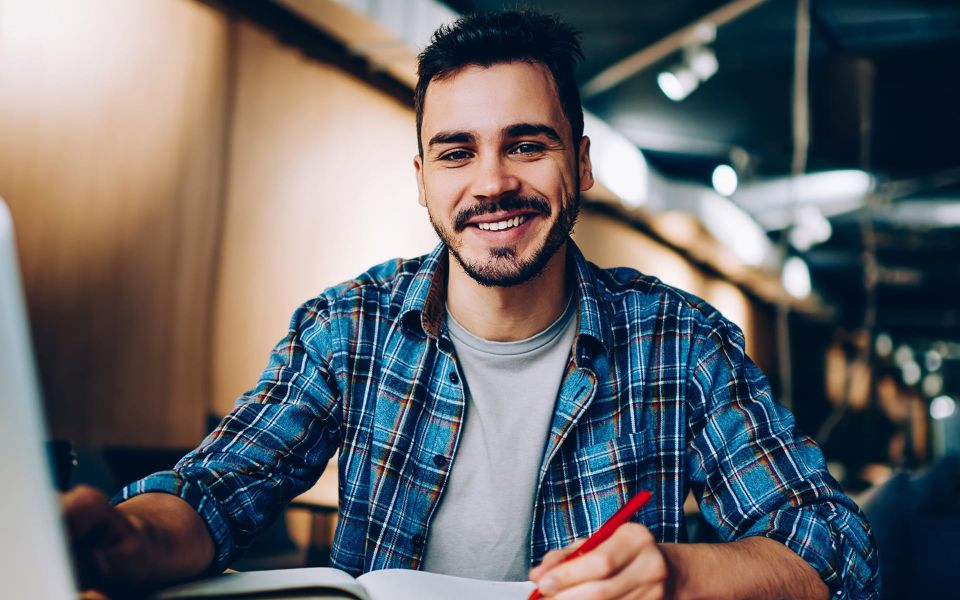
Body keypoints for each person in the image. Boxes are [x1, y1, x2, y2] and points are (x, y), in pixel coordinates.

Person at [64, 10, 879, 599]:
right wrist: (126, 540)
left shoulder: (682, 341)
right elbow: (215, 494)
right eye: (458, 152)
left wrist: (680, 575)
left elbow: (839, 551)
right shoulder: (347, 328)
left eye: (527, 143)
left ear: (582, 164)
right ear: (422, 179)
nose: (492, 182)